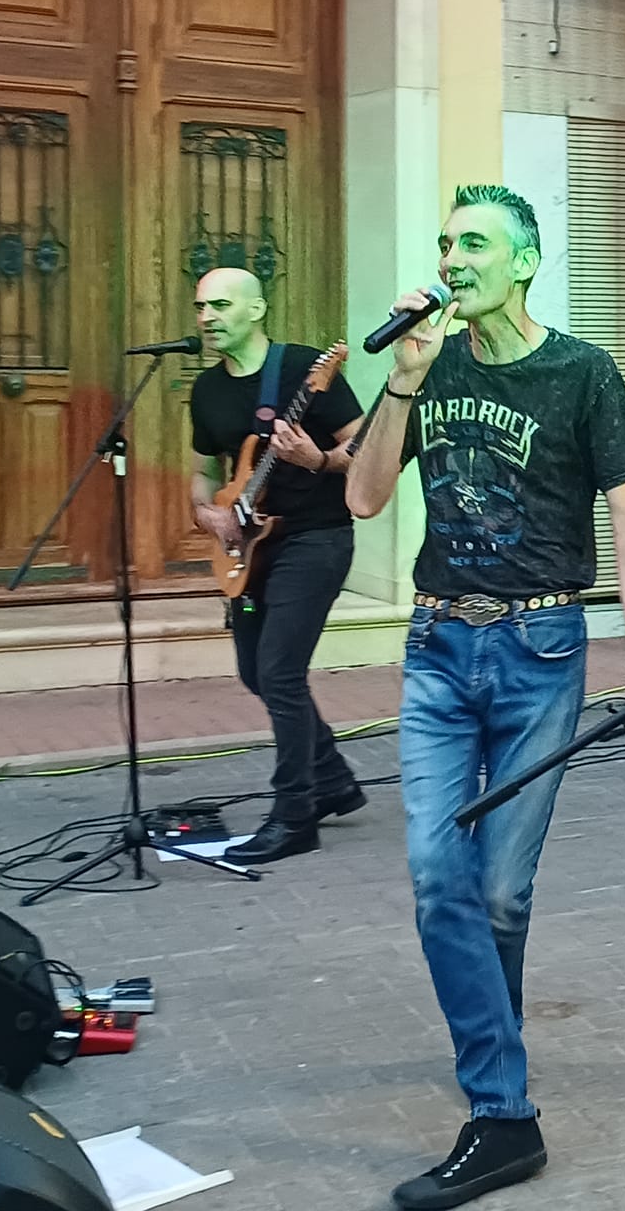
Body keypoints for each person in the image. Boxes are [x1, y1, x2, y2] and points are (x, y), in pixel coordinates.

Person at [346, 184, 625, 1210]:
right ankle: (502, 1110)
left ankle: (489, 1060)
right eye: (445, 242)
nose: (451, 259)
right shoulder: (429, 364)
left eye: (474, 244)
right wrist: (402, 384)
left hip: (540, 650)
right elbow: (363, 495)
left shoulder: (582, 371)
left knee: (499, 893)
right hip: (437, 649)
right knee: (435, 874)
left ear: (525, 261)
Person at [188, 266, 365, 866]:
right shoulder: (206, 390)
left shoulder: (304, 368)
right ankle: (332, 779)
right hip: (249, 548)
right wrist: (206, 513)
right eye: (201, 307)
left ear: (257, 309)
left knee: (280, 672)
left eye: (220, 305)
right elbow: (204, 471)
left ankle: (294, 815)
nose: (207, 317)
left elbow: (366, 445)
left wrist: (319, 459)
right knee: (254, 671)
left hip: (315, 539)